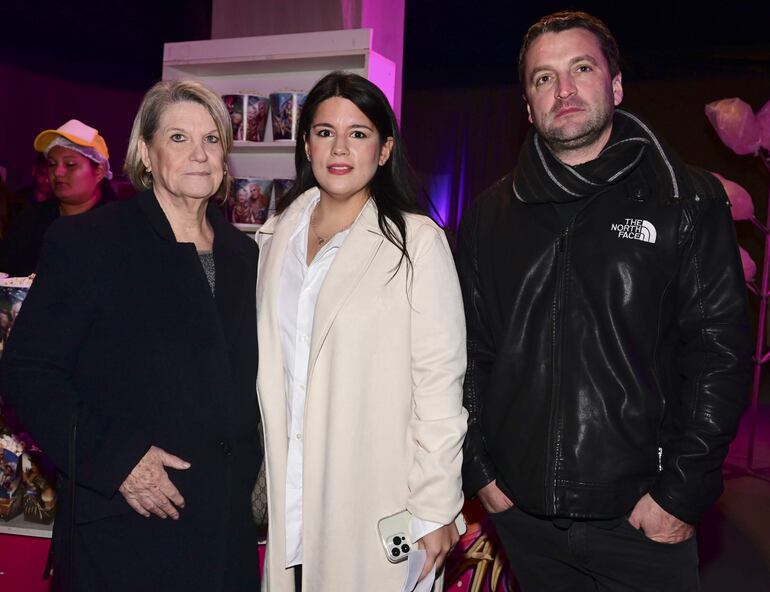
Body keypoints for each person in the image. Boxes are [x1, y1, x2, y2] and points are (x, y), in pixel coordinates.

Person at [457, 11, 752, 592]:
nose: (563, 90)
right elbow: (467, 353)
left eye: (581, 68)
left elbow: (720, 357)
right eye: (543, 78)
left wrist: (682, 493)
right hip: (524, 516)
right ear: (528, 105)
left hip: (643, 517)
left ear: (615, 85)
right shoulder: (489, 216)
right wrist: (481, 473)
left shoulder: (686, 199)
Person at [1, 79, 261, 591]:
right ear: (146, 151)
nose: (199, 153)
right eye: (179, 138)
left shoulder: (244, 255)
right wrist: (118, 460)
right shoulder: (91, 243)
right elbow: (29, 373)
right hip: (126, 528)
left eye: (212, 140)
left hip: (222, 533)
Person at [256, 71, 467, 591]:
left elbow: (441, 383)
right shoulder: (272, 238)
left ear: (385, 146)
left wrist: (437, 505)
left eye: (359, 132)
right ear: (306, 144)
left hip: (377, 497)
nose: (340, 147)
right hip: (291, 494)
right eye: (325, 132)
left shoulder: (416, 243)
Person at [0, 120, 116, 276]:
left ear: (99, 171)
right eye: (52, 164)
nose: (58, 172)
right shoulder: (30, 221)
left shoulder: (118, 226)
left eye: (70, 164)